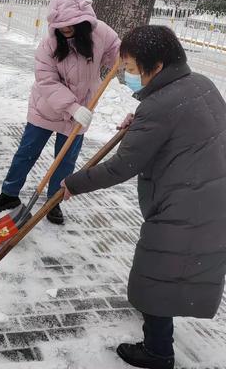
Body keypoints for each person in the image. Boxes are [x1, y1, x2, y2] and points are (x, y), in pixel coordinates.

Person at [61, 25, 226, 369]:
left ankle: (158, 351)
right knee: (170, 268)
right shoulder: (199, 84)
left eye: (133, 69)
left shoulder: (160, 106)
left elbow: (123, 167)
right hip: (211, 193)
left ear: (159, 66)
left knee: (155, 271)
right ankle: (158, 320)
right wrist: (142, 120)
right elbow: (182, 121)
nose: (127, 76)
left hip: (187, 202)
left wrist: (73, 183)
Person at [0, 0, 120, 224]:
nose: (65, 29)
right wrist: (72, 107)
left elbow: (116, 53)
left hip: (81, 112)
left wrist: (125, 58)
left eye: (72, 24)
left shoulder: (101, 34)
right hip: (46, 108)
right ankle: (9, 194)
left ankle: (53, 202)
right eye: (61, 25)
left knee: (66, 160)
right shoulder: (49, 44)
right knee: (27, 152)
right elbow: (46, 81)